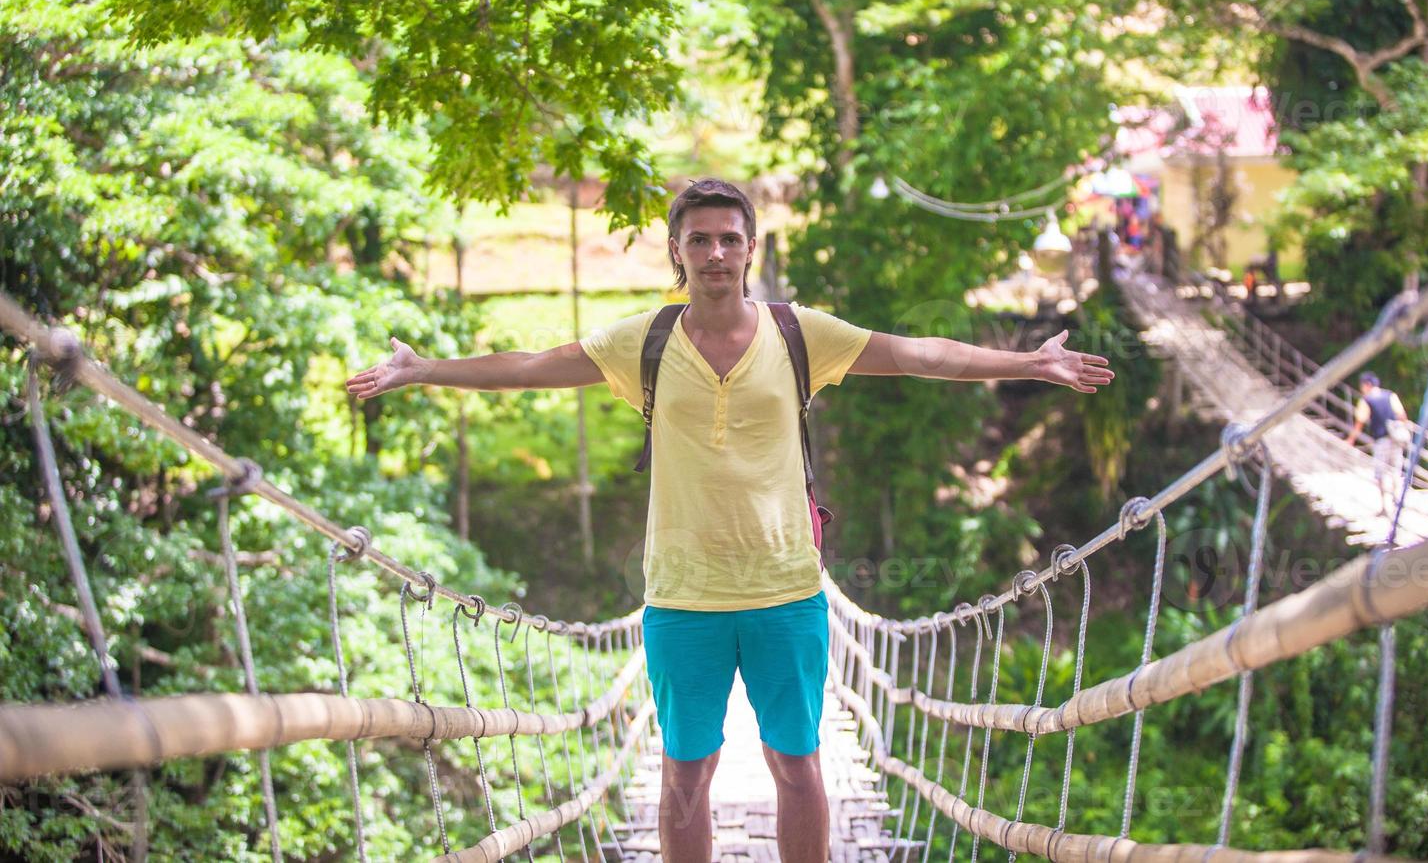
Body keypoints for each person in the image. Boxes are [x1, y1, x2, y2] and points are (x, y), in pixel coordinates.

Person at [344, 178, 1115, 863]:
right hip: (682, 597)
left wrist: (1028, 363)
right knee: (685, 771)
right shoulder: (642, 341)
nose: (716, 252)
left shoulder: (797, 333)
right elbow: (527, 367)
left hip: (785, 591)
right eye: (700, 239)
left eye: (730, 239)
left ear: (751, 249)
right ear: (677, 251)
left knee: (799, 762)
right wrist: (423, 371)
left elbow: (919, 353)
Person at [1342, 371, 1412, 516]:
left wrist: (1351, 440)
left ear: (1367, 385)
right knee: (1395, 470)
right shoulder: (1390, 395)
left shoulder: (1366, 400)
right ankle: (1398, 501)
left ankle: (1384, 507)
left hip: (1381, 440)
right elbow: (1402, 416)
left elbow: (1359, 423)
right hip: (1395, 439)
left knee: (1380, 473)